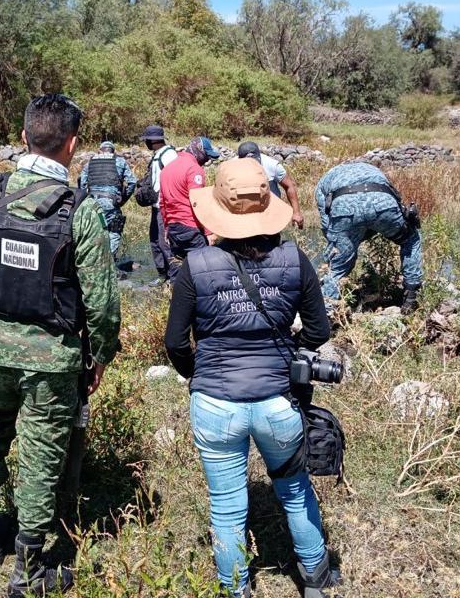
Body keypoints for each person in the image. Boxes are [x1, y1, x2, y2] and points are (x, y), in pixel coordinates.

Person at [0, 94, 121, 597]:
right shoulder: (79, 210)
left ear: (23, 138)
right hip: (52, 361)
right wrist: (100, 352)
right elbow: (101, 300)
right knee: (40, 458)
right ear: (73, 145)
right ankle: (29, 570)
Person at [163, 158, 338, 598]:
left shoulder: (196, 265)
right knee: (295, 491)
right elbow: (318, 332)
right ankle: (316, 577)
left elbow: (175, 344)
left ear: (218, 207)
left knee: (226, 507)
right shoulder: (295, 260)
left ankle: (235, 589)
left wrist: (196, 374)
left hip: (216, 403)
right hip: (279, 401)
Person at [315, 161, 423, 313]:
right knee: (411, 239)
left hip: (344, 209)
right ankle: (412, 295)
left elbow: (327, 225)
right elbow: (395, 200)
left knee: (338, 266)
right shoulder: (374, 170)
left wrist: (346, 245)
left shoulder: (324, 180)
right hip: (382, 203)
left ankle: (327, 312)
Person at [159, 136, 220, 283]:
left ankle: (174, 300)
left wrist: (167, 227)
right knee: (203, 272)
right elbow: (197, 201)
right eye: (206, 156)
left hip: (174, 228)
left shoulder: (167, 169)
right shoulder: (194, 169)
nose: (207, 161)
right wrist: (209, 232)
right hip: (191, 228)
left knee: (177, 270)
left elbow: (162, 203)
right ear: (198, 152)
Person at [79, 140, 137, 257]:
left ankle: (95, 259)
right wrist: (123, 199)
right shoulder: (120, 161)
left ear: (100, 150)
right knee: (114, 231)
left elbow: (82, 184)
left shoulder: (89, 163)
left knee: (98, 229)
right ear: (113, 151)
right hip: (110, 204)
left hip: (94, 205)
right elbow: (132, 182)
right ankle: (109, 261)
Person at [140, 125, 179, 282]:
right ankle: (162, 274)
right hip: (156, 205)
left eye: (147, 140)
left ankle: (173, 278)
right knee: (155, 241)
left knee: (165, 242)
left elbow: (174, 178)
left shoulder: (169, 155)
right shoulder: (158, 154)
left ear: (153, 140)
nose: (146, 143)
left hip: (165, 206)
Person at [237, 141, 305, 229]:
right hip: (247, 211)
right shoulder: (232, 167)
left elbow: (289, 186)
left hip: (271, 209)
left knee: (271, 239)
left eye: (254, 162)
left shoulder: (272, 166)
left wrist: (296, 212)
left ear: (259, 156)